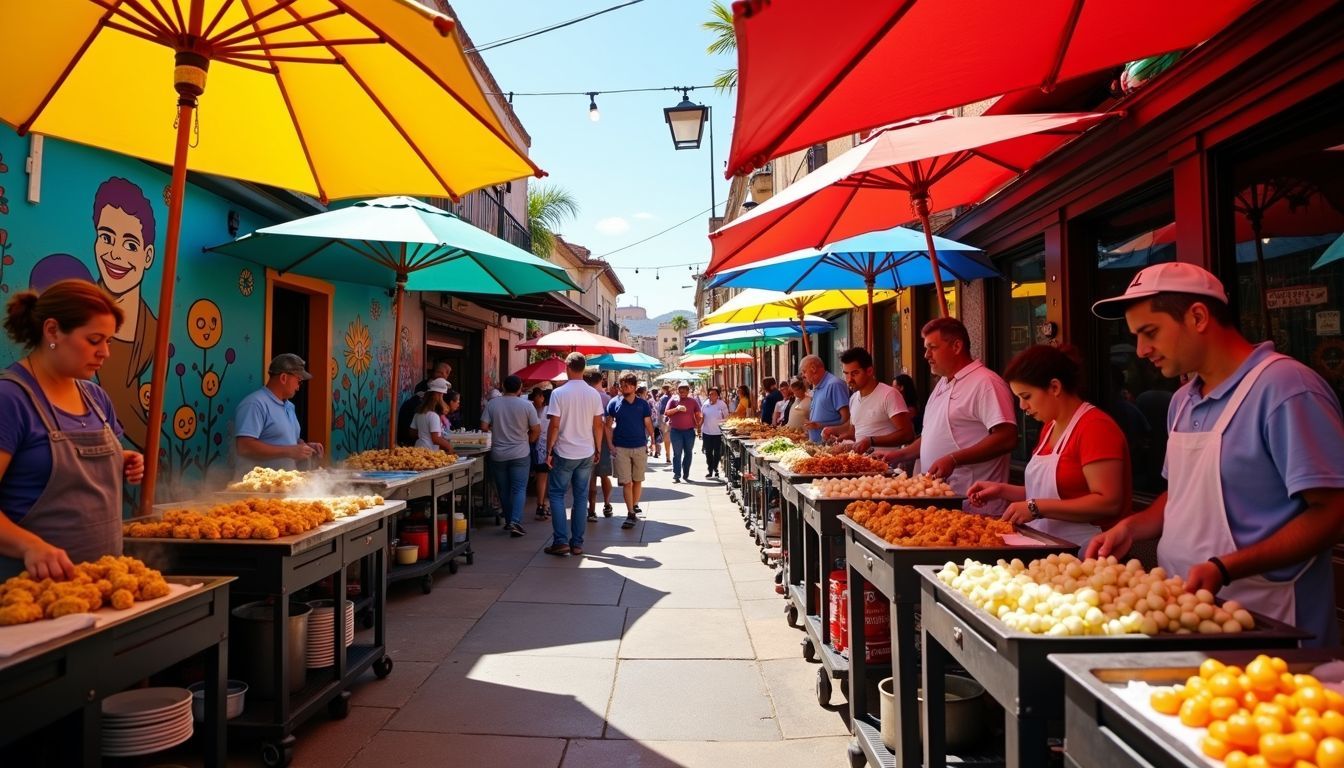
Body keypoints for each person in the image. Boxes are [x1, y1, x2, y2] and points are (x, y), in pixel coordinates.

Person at [1086, 263, 1344, 646]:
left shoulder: (1286, 389)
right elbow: (1182, 494)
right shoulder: (1182, 401)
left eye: (1150, 332)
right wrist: (1133, 526)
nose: (1141, 351)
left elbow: (1333, 512)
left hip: (1272, 620)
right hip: (1182, 612)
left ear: (1198, 316)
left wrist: (1226, 567)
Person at [0, 281, 144, 580]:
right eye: (94, 340)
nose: (105, 352)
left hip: (104, 584)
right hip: (29, 593)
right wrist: (30, 546)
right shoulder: (10, 400)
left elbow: (77, 475)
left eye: (108, 341)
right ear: (52, 331)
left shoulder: (96, 397)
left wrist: (119, 459)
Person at [967, 345, 1132, 549]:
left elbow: (1108, 503)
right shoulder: (1049, 428)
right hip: (1048, 546)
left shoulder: (1096, 428)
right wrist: (1001, 490)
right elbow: (1054, 492)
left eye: (1026, 397)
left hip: (1090, 552)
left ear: (1054, 387)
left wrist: (1036, 508)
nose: (1022, 407)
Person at [875, 318, 1017, 515]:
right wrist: (898, 454)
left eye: (932, 347)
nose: (926, 355)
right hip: (940, 502)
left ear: (957, 346)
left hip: (976, 507)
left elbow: (1006, 438)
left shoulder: (986, 383)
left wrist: (953, 459)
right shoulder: (942, 384)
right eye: (926, 348)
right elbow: (932, 436)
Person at [543, 353, 605, 557]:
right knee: (580, 497)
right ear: (584, 368)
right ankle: (577, 543)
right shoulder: (593, 394)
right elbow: (598, 424)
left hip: (564, 451)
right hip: (586, 451)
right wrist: (598, 448)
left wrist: (549, 449)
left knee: (557, 495)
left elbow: (554, 425)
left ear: (567, 367)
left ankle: (561, 541)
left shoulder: (558, 393)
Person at [235, 353, 325, 473]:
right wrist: (289, 451)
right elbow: (244, 447)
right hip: (257, 487)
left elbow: (289, 442)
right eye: (299, 381)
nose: (298, 387)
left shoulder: (289, 406)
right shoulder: (255, 404)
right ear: (283, 378)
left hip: (282, 485)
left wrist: (306, 448)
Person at [823, 347, 915, 452]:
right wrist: (833, 433)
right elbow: (855, 432)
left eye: (855, 373)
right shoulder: (853, 398)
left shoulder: (889, 394)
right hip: (860, 463)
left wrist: (871, 441)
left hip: (885, 465)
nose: (849, 380)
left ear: (869, 371)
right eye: (846, 374)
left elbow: (907, 434)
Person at [481, 375, 541, 537]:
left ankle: (509, 521)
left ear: (503, 386)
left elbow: (483, 427)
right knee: (519, 488)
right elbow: (536, 429)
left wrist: (497, 432)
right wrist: (528, 441)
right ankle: (515, 521)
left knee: (503, 490)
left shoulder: (493, 404)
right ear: (520, 388)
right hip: (521, 452)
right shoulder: (527, 406)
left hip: (498, 453)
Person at [607, 373, 655, 529]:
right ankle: (630, 513)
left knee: (637, 480)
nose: (624, 387)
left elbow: (647, 423)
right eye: (622, 385)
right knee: (626, 482)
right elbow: (607, 426)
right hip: (621, 448)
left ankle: (634, 504)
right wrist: (610, 445)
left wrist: (653, 440)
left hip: (640, 446)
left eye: (627, 385)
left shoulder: (643, 404)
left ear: (634, 387)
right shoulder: (614, 403)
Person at [585, 371, 615, 521]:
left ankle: (591, 509)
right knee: (603, 475)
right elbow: (608, 424)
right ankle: (607, 503)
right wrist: (610, 444)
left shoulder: (583, 397)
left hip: (585, 440)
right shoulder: (606, 398)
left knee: (590, 477)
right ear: (600, 381)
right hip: (602, 440)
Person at [801, 355, 850, 443]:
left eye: (804, 372)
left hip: (832, 447)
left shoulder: (834, 384)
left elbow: (846, 420)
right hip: (818, 446)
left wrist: (819, 425)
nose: (803, 376)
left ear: (813, 368)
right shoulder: (817, 386)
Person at [665, 382, 703, 484]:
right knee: (677, 453)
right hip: (676, 431)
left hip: (689, 431)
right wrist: (677, 409)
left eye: (684, 391)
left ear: (688, 391)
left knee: (688, 453)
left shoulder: (693, 401)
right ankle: (677, 474)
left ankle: (686, 472)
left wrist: (698, 422)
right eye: (680, 391)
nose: (682, 393)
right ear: (678, 391)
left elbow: (698, 413)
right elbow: (666, 412)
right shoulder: (673, 400)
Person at [411, 379, 455, 452]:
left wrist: (424, 435)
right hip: (429, 451)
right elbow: (436, 439)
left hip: (418, 449)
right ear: (439, 395)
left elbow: (412, 432)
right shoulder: (433, 416)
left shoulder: (418, 413)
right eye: (442, 395)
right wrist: (450, 448)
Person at [529, 387, 552, 521]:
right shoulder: (552, 412)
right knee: (547, 479)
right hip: (552, 449)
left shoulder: (540, 412)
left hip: (540, 449)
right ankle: (544, 504)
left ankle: (541, 504)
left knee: (541, 478)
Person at [700, 386, 732, 479]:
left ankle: (716, 468)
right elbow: (702, 417)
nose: (711, 396)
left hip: (718, 432)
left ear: (717, 395)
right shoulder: (705, 404)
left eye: (713, 394)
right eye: (709, 394)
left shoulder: (722, 404)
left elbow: (727, 418)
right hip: (707, 432)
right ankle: (710, 469)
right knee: (708, 452)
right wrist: (698, 427)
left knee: (717, 452)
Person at [657, 384, 674, 462]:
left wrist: (659, 422)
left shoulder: (662, 398)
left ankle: (668, 455)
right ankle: (674, 455)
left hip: (664, 418)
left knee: (666, 438)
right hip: (674, 418)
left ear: (664, 390)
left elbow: (660, 410)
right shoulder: (674, 397)